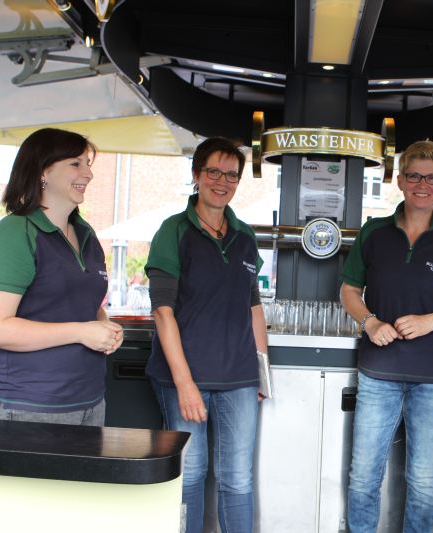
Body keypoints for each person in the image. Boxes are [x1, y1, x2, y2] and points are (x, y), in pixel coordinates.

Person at [341, 140, 433, 533]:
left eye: (431, 178)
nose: (423, 185)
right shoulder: (374, 233)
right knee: (364, 474)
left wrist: (432, 320)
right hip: (378, 372)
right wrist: (370, 322)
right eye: (414, 176)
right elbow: (349, 291)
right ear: (400, 181)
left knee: (422, 480)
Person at [145, 137, 267, 533]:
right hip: (185, 375)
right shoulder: (173, 231)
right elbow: (162, 311)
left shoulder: (245, 235)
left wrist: (261, 373)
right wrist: (185, 384)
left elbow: (253, 307)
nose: (222, 182)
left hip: (239, 378)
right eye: (213, 172)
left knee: (238, 478)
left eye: (231, 175)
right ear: (197, 175)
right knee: (191, 472)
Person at [0, 128, 122, 425]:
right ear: (43, 171)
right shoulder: (16, 232)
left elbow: (86, 303)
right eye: (75, 164)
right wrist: (81, 332)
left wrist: (103, 325)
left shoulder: (85, 232)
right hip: (31, 406)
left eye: (88, 164)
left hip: (91, 400)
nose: (88, 174)